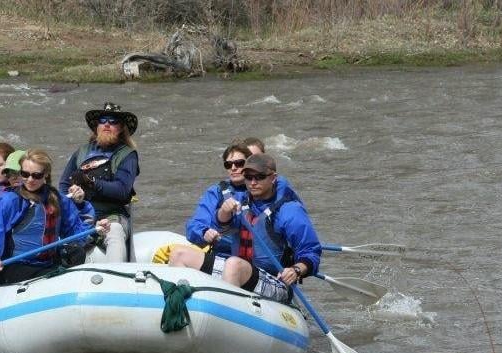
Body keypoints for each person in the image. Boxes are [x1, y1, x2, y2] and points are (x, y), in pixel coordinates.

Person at [170, 153, 321, 303]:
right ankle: (177, 308)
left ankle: (227, 316)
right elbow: (222, 231)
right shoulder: (241, 201)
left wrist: (296, 270)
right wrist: (223, 212)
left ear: (273, 178)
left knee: (233, 264)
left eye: (260, 177)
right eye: (248, 177)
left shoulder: (290, 210)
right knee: (179, 254)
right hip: (239, 272)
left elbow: (311, 252)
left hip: (275, 281)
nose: (253, 182)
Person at [0, 149, 110, 284]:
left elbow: (76, 233)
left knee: (77, 253)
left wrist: (95, 230)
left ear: (46, 175)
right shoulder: (10, 200)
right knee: (57, 275)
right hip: (17, 266)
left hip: (48, 262)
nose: (30, 180)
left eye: (36, 175)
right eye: (25, 174)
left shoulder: (57, 199)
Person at [59, 102, 140, 263]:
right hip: (80, 216)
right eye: (103, 120)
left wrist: (92, 182)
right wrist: (72, 199)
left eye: (113, 121)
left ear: (121, 128)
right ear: (97, 126)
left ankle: (115, 276)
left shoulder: (127, 155)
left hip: (111, 216)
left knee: (115, 233)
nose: (107, 124)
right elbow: (63, 186)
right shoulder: (82, 152)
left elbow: (122, 190)